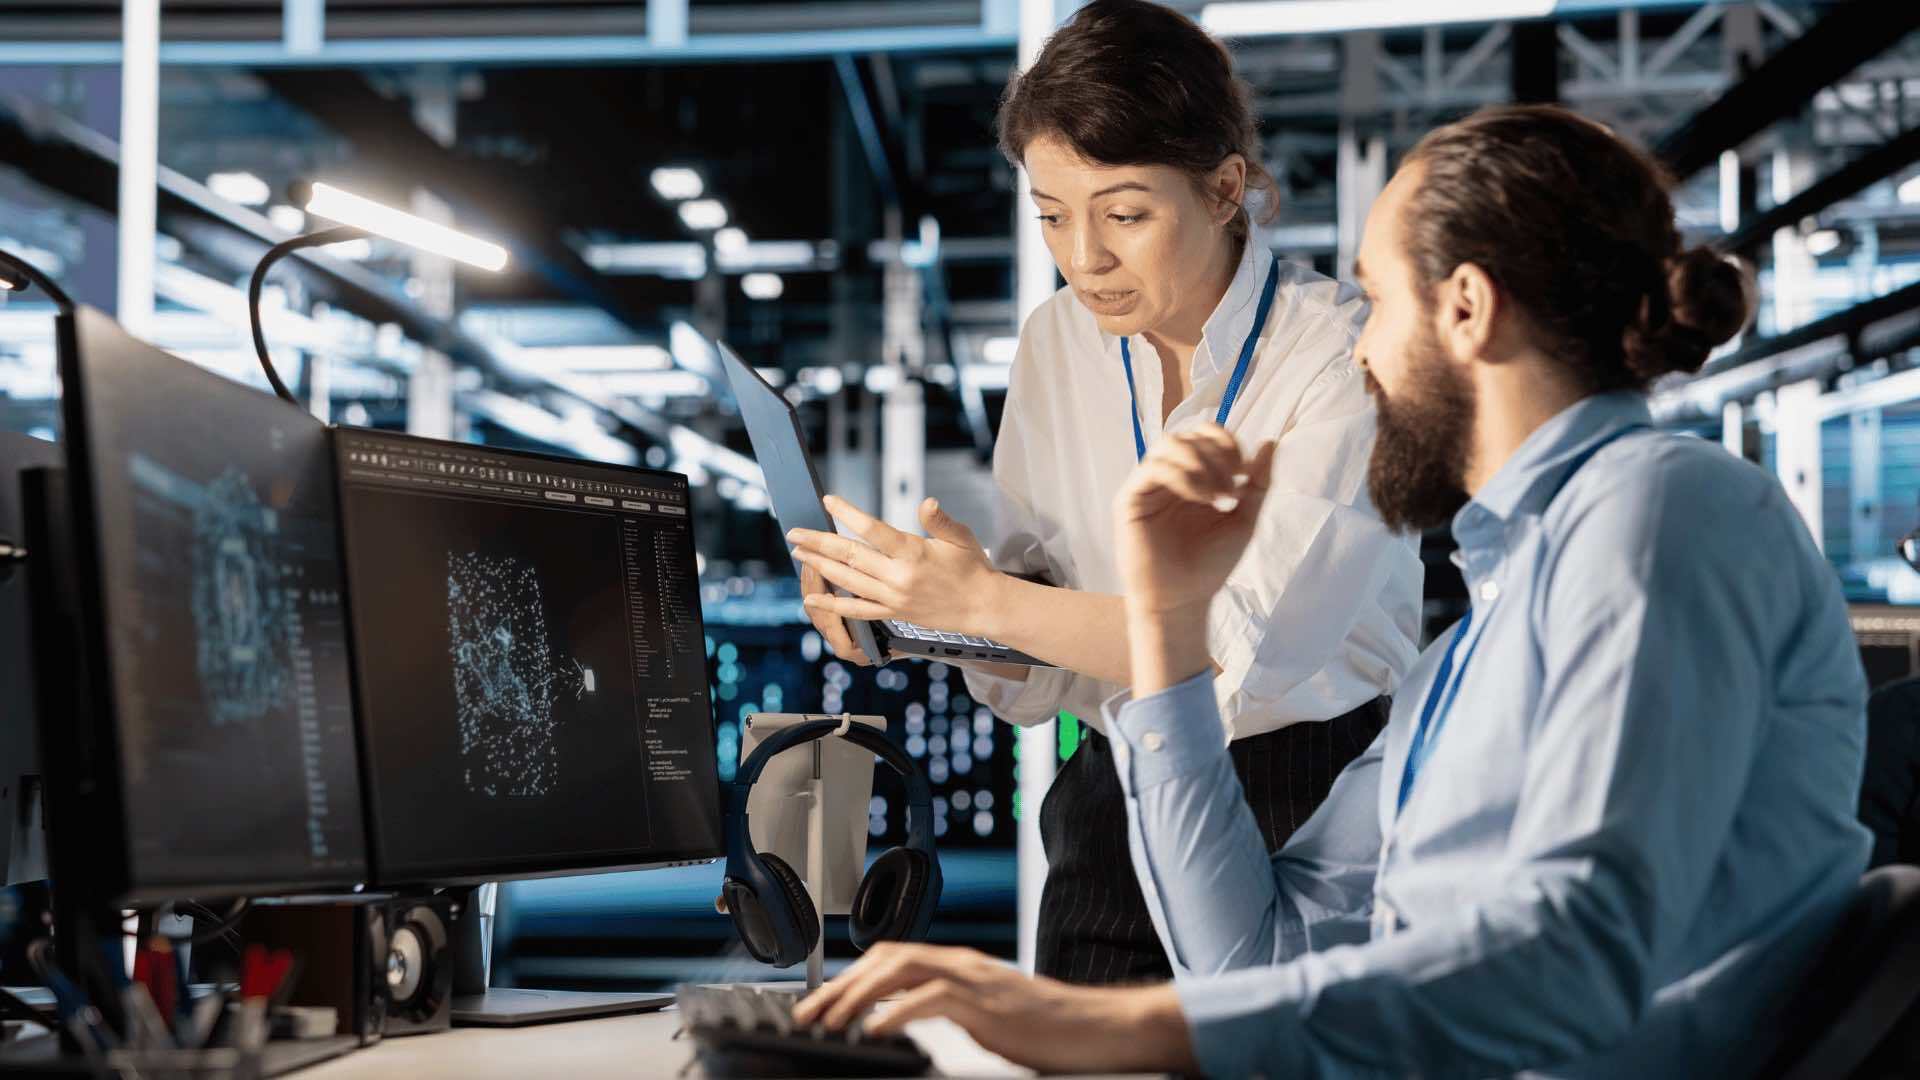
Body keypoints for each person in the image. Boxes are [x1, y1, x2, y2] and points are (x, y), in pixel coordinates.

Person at [791, 105, 1874, 1078]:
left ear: (1465, 310)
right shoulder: (1472, 646)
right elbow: (1251, 958)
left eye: (1377, 297)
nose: (1361, 348)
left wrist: (1109, 1028)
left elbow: (1580, 957)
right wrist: (1168, 633)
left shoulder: (1663, 512)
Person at [785, 0, 1422, 984]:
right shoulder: (1053, 341)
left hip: (1303, 800)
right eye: (1050, 216)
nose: (1084, 257)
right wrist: (923, 610)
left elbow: (1247, 649)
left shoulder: (1338, 354)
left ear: (1224, 190)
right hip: (1103, 798)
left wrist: (986, 602)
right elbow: (1042, 662)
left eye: (1124, 213)